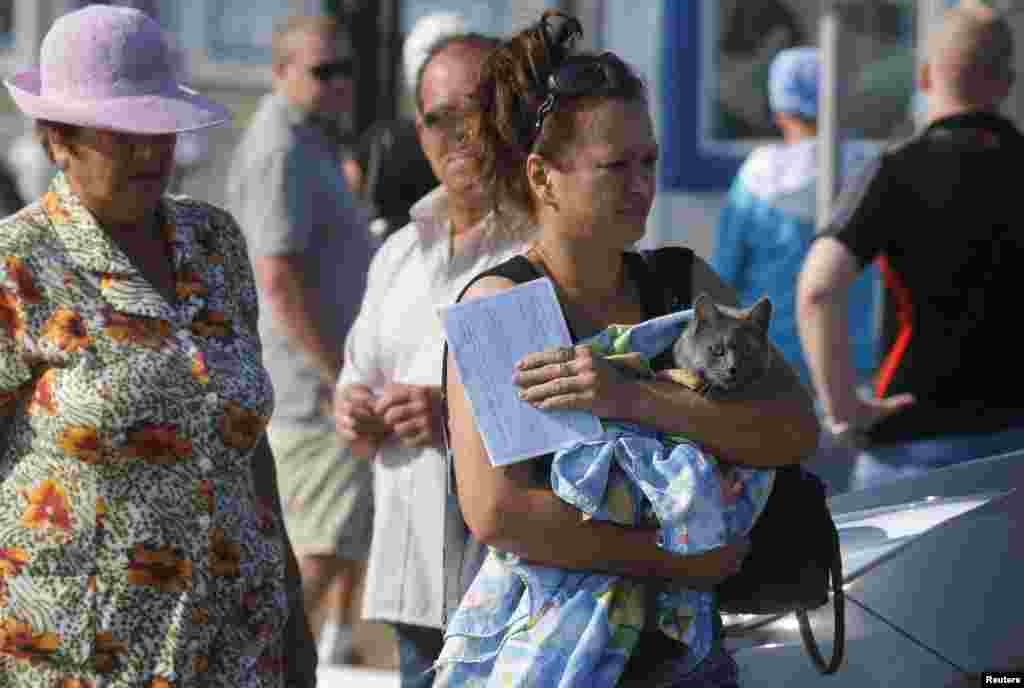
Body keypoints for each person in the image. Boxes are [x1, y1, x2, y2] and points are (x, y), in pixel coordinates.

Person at [440, 10, 818, 687]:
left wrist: (632, 397)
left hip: (686, 661)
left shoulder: (681, 281)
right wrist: (675, 559)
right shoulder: (504, 304)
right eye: (616, 167)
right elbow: (503, 512)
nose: (643, 186)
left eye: (650, 162)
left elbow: (791, 428)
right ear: (542, 175)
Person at [0, 5, 314, 686]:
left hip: (229, 642)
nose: (152, 152)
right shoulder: (18, 263)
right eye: (124, 135)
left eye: (162, 131)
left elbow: (244, 441)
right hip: (76, 655)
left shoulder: (216, 245)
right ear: (57, 137)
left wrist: (294, 611)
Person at [333, 32, 528, 688]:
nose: (460, 134)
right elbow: (356, 374)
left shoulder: (543, 253)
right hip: (412, 584)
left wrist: (454, 415)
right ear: (419, 131)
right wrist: (354, 410)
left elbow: (577, 411)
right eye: (439, 118)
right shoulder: (397, 254)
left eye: (477, 111)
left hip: (512, 592)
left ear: (510, 114)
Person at [797, 4, 1024, 492]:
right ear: (1007, 81)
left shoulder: (897, 170)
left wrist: (843, 407)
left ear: (924, 77)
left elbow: (817, 289)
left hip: (913, 449)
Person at [226, 14, 375, 667]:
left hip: (327, 387)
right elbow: (277, 280)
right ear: (282, 72)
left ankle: (302, 666)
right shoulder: (279, 147)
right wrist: (338, 371)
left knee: (336, 545)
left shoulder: (312, 139)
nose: (340, 83)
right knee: (314, 553)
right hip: (310, 393)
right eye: (323, 71)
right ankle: (267, 673)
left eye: (346, 68)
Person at [712, 46, 879, 385]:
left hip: (772, 365)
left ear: (780, 110)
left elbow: (724, 277)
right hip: (853, 366)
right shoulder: (870, 172)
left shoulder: (756, 179)